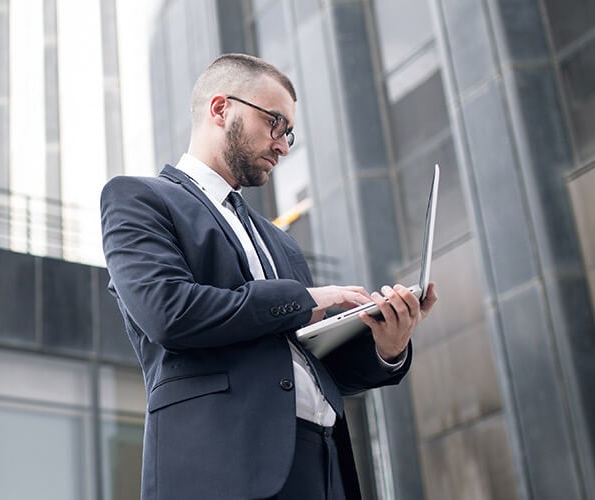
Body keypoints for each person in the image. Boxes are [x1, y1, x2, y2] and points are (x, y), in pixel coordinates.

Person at [99, 53, 438, 500]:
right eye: (275, 123)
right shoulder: (138, 199)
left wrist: (387, 346)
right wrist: (306, 297)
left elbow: (315, 367)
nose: (283, 145)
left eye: (289, 133)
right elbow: (170, 313)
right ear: (221, 109)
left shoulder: (281, 242)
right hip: (221, 467)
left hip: (321, 468)